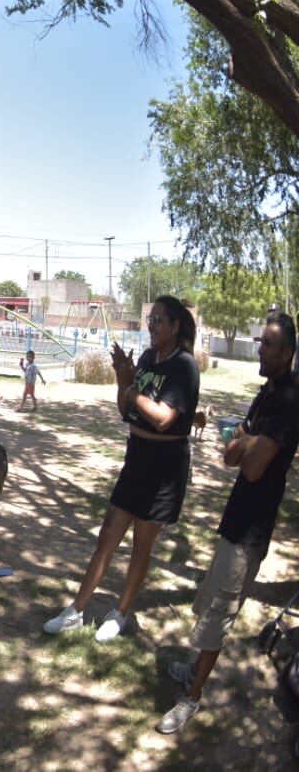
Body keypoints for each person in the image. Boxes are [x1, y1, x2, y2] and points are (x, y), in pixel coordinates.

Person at [156, 313, 299, 733]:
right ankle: (194, 671)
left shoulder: (291, 401)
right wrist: (245, 441)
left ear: (288, 353)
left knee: (219, 615)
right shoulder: (265, 396)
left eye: (269, 344)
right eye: (261, 342)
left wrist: (245, 441)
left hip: (252, 528)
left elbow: (252, 468)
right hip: (234, 518)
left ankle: (193, 697)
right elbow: (230, 454)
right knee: (209, 602)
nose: (260, 349)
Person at [44, 296, 201, 642]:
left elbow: (163, 418)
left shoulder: (184, 366)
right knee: (107, 538)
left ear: (175, 326)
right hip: (136, 460)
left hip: (164, 469)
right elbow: (125, 408)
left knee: (140, 547)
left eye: (159, 319)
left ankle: (121, 613)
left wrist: (131, 388)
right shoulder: (147, 359)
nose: (152, 325)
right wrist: (121, 378)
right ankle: (76, 610)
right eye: (150, 319)